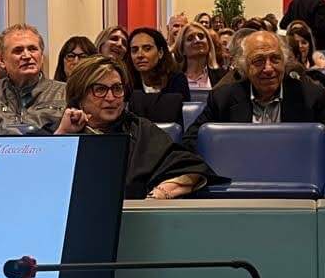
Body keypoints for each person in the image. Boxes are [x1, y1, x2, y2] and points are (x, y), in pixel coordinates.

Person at [54, 57, 215, 199]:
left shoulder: (140, 130)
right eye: (100, 89)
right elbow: (43, 179)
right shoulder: (59, 130)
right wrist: (62, 135)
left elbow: (191, 168)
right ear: (79, 96)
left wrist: (160, 193)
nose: (111, 97)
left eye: (117, 88)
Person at [185, 30, 325, 169]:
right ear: (245, 66)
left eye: (275, 59)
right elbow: (191, 140)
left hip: (294, 178)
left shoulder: (310, 96)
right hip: (238, 180)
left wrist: (300, 163)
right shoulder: (223, 98)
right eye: (258, 61)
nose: (268, 68)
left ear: (284, 62)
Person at [0, 24, 65, 131]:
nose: (27, 56)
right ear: (1, 60)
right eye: (18, 51)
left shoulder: (65, 93)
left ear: (41, 56)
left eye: (32, 49)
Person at [125, 26, 190, 125]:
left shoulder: (177, 79)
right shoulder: (127, 82)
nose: (140, 55)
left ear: (160, 53)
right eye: (134, 50)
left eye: (147, 49)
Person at [285, 20, 325, 95]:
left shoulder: (318, 64)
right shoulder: (286, 69)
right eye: (296, 43)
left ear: (310, 45)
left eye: (304, 42)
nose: (300, 46)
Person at [176, 22, 218, 91]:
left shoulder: (222, 76)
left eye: (201, 36)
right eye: (190, 38)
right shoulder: (173, 79)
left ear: (209, 43)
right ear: (182, 49)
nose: (197, 40)